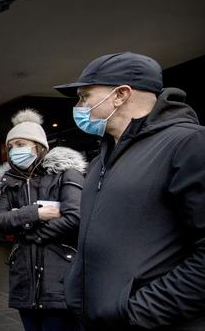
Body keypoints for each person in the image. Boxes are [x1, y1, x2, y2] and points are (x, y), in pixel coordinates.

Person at [54, 52, 205, 330]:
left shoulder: (188, 144)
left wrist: (136, 313)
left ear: (121, 94)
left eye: (84, 96)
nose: (79, 106)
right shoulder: (101, 160)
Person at [0, 109, 86, 331]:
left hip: (60, 278)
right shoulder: (11, 183)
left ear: (39, 147)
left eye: (21, 144)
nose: (15, 151)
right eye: (10, 146)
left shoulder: (66, 174)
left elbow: (76, 217)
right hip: (24, 282)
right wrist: (37, 213)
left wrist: (29, 230)